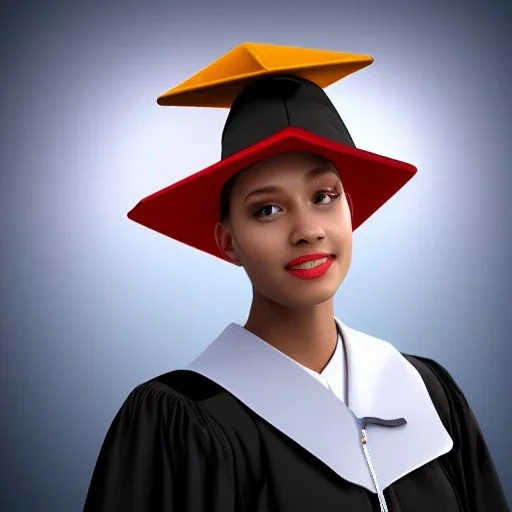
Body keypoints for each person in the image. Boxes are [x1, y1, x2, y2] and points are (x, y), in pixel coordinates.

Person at [83, 42, 509, 511]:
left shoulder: (427, 391)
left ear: (351, 208)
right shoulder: (181, 420)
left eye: (324, 196)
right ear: (228, 243)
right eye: (267, 209)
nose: (308, 230)